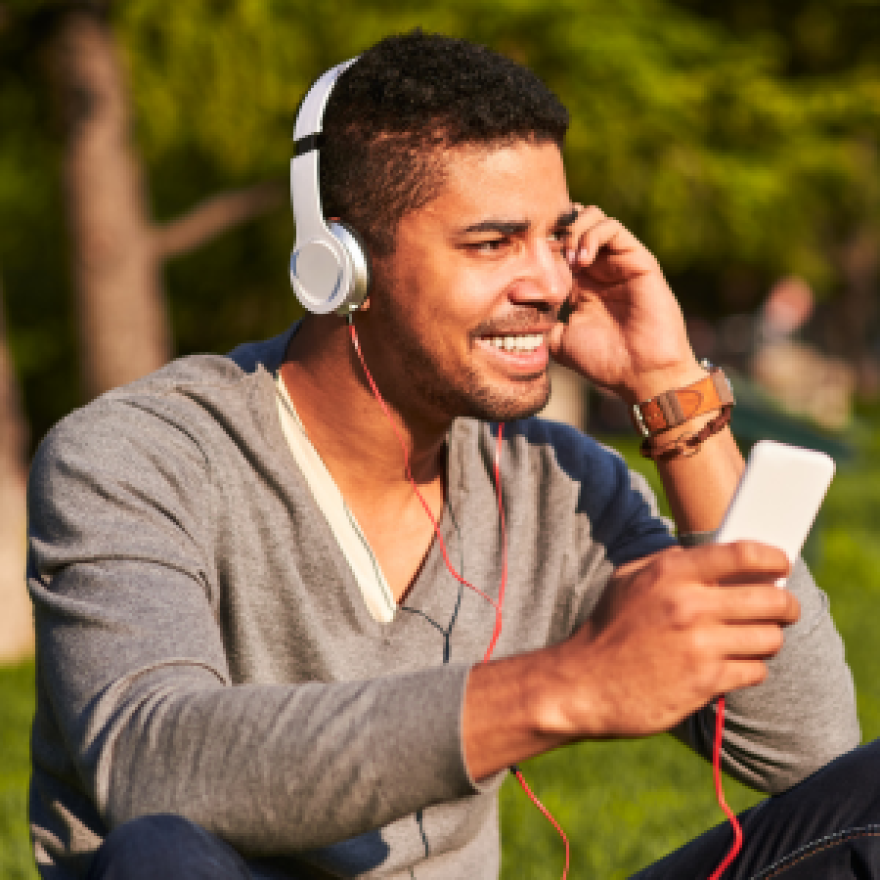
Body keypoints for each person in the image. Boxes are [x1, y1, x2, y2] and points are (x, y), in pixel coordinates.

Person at [26, 30, 876, 880]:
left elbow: (807, 749)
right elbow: (152, 765)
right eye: (494, 243)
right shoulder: (134, 457)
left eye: (558, 237)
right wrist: (565, 686)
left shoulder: (558, 484)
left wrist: (667, 382)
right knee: (160, 854)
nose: (549, 283)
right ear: (341, 265)